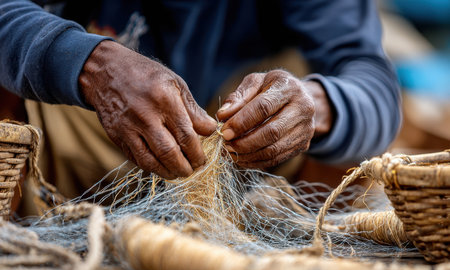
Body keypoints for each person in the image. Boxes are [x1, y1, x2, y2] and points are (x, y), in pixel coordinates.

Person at [0, 1, 401, 189]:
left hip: (250, 192)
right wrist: (89, 64)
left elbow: (374, 87)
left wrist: (317, 105)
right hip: (58, 170)